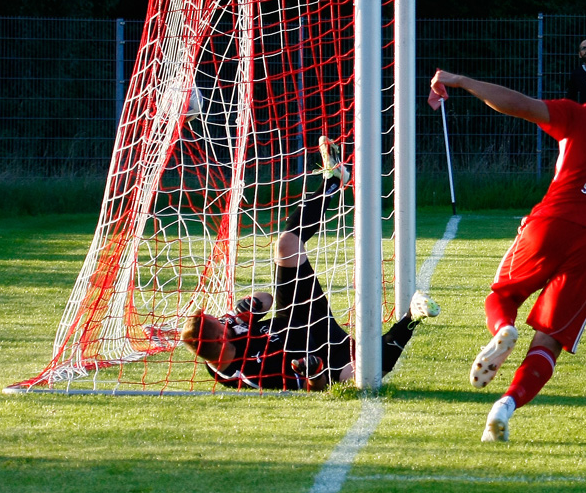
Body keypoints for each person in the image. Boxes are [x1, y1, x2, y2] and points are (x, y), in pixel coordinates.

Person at [429, 67, 586, 443]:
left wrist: (464, 81)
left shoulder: (581, 114)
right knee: (549, 339)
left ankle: (503, 328)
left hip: (553, 222)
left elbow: (517, 105)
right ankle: (506, 404)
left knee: (503, 295)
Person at [181, 137, 440, 391]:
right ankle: (412, 316)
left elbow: (268, 299)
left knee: (286, 245)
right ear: (218, 339)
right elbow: (313, 387)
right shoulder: (245, 373)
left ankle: (333, 180)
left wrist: (253, 302)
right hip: (324, 353)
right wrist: (314, 371)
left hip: (296, 314)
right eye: (217, 323)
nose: (221, 320)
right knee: (361, 377)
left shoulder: (228, 327)